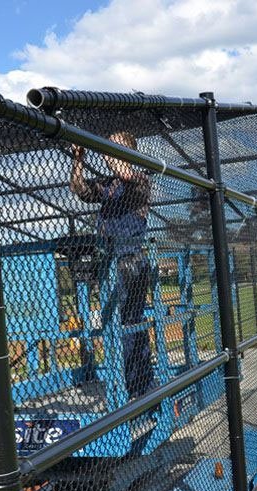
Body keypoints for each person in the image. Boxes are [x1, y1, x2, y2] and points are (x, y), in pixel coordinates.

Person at [69, 132, 155, 397]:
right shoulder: (108, 185)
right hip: (110, 261)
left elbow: (127, 175)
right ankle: (138, 385)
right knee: (123, 325)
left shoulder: (139, 180)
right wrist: (78, 159)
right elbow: (80, 190)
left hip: (132, 261)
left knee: (130, 324)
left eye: (113, 149)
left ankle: (137, 386)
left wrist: (111, 153)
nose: (107, 155)